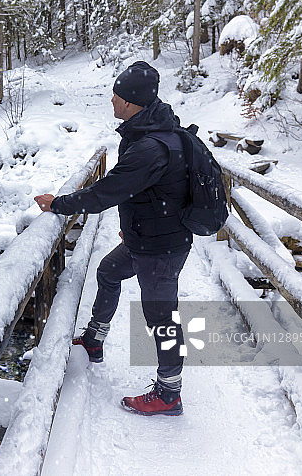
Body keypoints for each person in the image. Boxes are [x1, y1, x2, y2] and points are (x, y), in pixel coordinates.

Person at [34, 61, 191, 416]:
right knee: (108, 272)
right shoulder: (151, 132)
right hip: (147, 238)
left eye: (117, 96)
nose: (112, 100)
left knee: (162, 319)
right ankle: (94, 341)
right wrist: (135, 224)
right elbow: (147, 190)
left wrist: (58, 204)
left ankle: (169, 393)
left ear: (132, 103)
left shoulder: (151, 146)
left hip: (162, 248)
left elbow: (107, 192)